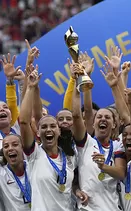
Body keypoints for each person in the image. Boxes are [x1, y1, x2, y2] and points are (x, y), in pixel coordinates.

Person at [19, 65, 80, 211]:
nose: (48, 129)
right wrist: (30, 88)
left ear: (59, 130)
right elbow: (24, 121)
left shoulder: (71, 155)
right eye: (44, 127)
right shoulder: (34, 154)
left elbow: (74, 182)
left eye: (52, 126)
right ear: (38, 133)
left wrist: (77, 191)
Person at [71, 61, 128, 211]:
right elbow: (77, 115)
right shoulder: (86, 144)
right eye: (99, 117)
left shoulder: (118, 145)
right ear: (93, 123)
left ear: (115, 124)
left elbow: (121, 173)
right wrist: (80, 80)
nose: (103, 119)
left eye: (108, 117)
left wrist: (103, 167)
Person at [0, 134, 31, 210]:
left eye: (15, 145)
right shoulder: (1, 174)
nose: (10, 148)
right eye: (6, 146)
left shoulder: (33, 167)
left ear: (22, 148)